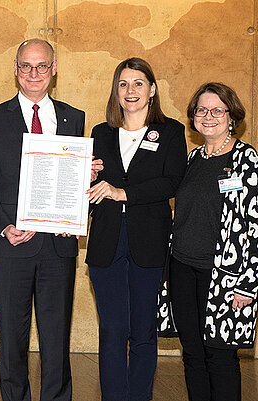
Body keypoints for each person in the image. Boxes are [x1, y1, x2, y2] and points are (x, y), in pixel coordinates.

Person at [0, 39, 99, 401]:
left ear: (54, 69)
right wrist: (4, 227)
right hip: (12, 246)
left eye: (42, 66)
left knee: (57, 340)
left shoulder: (74, 117)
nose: (34, 73)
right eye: (26, 66)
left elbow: (71, 178)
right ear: (15, 69)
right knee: (12, 341)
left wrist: (83, 179)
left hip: (58, 246)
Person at [158, 82, 258, 401]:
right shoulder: (192, 159)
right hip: (182, 269)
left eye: (217, 110)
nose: (209, 116)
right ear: (194, 117)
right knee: (193, 356)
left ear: (231, 116)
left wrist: (247, 285)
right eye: (201, 110)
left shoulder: (247, 160)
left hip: (224, 277)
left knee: (220, 358)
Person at [83, 57, 187, 401]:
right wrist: (90, 178)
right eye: (124, 84)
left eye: (139, 83)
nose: (131, 91)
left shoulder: (170, 132)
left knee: (143, 332)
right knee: (112, 331)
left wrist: (121, 192)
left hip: (149, 244)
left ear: (152, 90)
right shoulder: (101, 133)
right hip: (106, 245)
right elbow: (89, 191)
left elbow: (172, 182)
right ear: (116, 90)